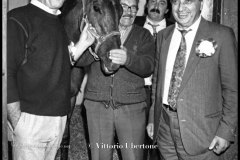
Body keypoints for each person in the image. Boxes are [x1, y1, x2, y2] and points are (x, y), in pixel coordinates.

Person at [147, 0, 238, 159]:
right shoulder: (163, 36)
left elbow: (232, 89)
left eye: (188, 1)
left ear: (201, 5)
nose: (181, 8)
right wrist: (153, 118)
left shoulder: (222, 35)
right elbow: (157, 82)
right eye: (176, 2)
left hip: (202, 134)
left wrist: (226, 131)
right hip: (164, 128)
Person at [7, 0, 94, 159]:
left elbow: (57, 61)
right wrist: (17, 122)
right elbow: (7, 72)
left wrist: (82, 44)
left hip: (57, 120)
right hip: (30, 121)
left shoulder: (58, 22)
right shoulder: (17, 19)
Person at [74, 0, 155, 159]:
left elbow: (149, 66)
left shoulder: (144, 35)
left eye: (133, 8)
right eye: (124, 6)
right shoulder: (98, 29)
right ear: (115, 9)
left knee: (133, 156)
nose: (129, 11)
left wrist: (128, 59)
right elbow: (79, 61)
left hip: (131, 108)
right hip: (97, 106)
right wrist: (97, 51)